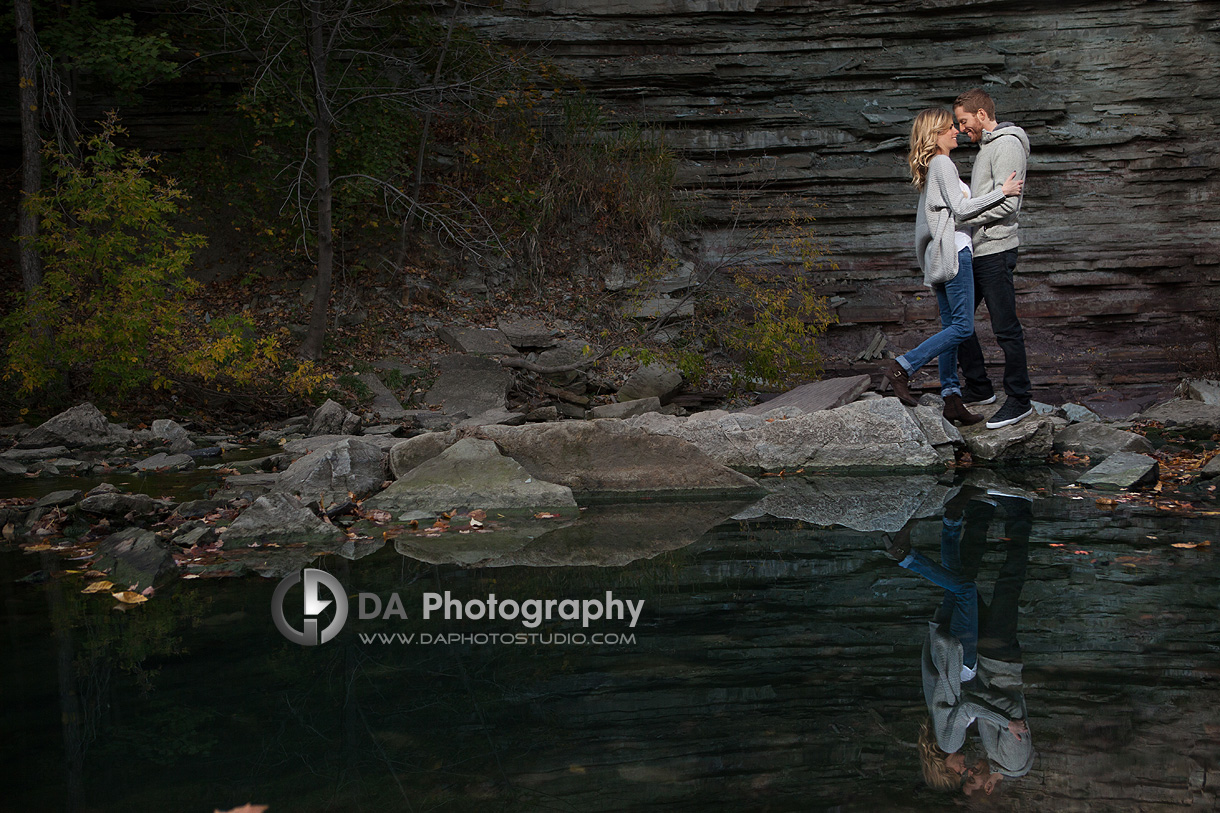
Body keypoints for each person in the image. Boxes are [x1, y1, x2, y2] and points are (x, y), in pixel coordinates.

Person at [881, 108, 1024, 426]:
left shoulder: (933, 167)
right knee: (962, 327)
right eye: (949, 128)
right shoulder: (942, 163)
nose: (956, 132)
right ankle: (903, 366)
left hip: (941, 256)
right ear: (934, 135)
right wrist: (1001, 193)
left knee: (951, 328)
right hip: (955, 253)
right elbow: (960, 209)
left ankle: (951, 398)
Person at [952, 88, 1034, 430]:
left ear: (982, 115)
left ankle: (1019, 399)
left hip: (997, 249)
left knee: (1005, 328)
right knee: (958, 322)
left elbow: (1007, 204)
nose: (961, 128)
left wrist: (960, 218)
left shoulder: (1006, 145)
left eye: (964, 121)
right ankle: (980, 388)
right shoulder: (987, 146)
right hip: (980, 249)